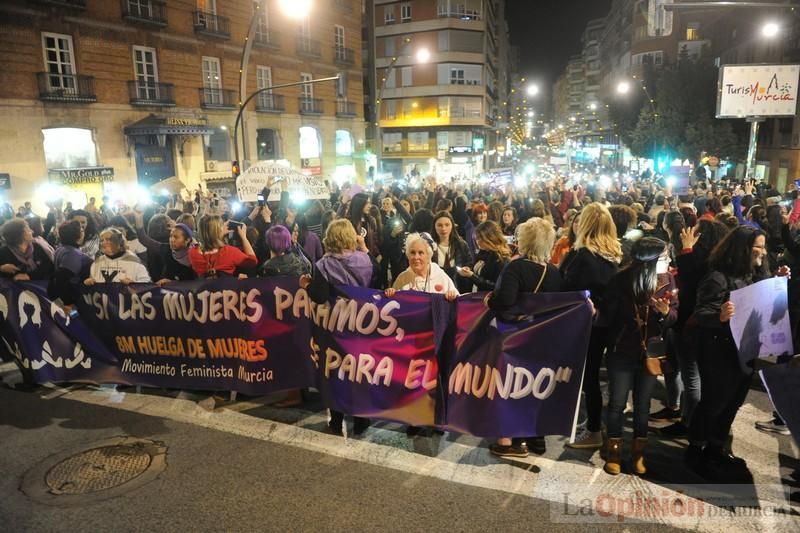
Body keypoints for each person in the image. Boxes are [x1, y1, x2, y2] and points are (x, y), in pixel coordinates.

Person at [685, 226, 789, 481]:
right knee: (714, 403)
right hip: (719, 352)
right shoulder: (718, 277)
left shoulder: (752, 274)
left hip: (745, 350)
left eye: (763, 247)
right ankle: (696, 451)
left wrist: (779, 280)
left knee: (732, 402)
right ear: (742, 249)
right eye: (758, 248)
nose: (763, 252)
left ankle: (716, 448)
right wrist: (718, 315)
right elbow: (701, 312)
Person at [485, 217, 563, 457]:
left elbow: (505, 300)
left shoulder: (515, 267)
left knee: (511, 387)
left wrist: (490, 300)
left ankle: (510, 442)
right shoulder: (553, 272)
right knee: (535, 386)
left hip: (515, 337)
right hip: (543, 338)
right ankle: (536, 437)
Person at [603, 238, 677, 476]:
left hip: (651, 354)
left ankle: (638, 454)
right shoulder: (619, 280)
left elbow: (675, 315)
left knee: (643, 405)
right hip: (622, 351)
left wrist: (666, 314)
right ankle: (613, 452)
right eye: (664, 256)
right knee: (616, 403)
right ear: (650, 260)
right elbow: (607, 317)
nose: (667, 261)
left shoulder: (667, 281)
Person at [300, 219, 377, 436]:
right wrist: (364, 249)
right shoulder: (366, 260)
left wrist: (306, 285)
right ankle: (362, 419)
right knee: (359, 372)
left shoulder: (323, 265)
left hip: (336, 327)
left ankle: (336, 419)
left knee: (336, 373)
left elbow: (319, 296)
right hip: (361, 325)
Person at [560, 203, 622, 449]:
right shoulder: (615, 254)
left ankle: (594, 430)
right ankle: (595, 426)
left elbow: (567, 290)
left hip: (587, 326)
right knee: (594, 377)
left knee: (589, 378)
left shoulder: (583, 256)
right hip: (609, 325)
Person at [189, 215, 257, 278]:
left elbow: (210, 241)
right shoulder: (230, 252)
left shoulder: (193, 252)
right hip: (225, 289)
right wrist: (244, 238)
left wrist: (219, 234)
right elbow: (252, 261)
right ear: (218, 231)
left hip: (204, 289)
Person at [457, 221, 511, 292]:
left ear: (491, 238)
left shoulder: (502, 259)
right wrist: (469, 270)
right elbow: (479, 273)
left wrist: (472, 276)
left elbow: (496, 286)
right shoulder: (482, 253)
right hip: (475, 296)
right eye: (477, 238)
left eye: (480, 238)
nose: (477, 241)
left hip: (487, 299)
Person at [85, 227, 151, 285]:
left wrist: (133, 283)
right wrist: (89, 282)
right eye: (102, 240)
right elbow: (92, 281)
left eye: (108, 239)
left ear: (119, 241)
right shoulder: (97, 262)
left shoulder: (134, 260)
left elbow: (147, 283)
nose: (104, 243)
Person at [50, 220, 93, 306]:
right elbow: (62, 280)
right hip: (74, 300)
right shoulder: (72, 254)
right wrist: (67, 303)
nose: (83, 232)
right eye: (82, 230)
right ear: (78, 235)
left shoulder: (61, 248)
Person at [431, 211, 472, 292]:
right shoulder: (429, 245)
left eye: (447, 225)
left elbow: (469, 262)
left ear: (452, 226)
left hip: (458, 287)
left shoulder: (461, 244)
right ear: (434, 227)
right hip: (435, 288)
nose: (443, 228)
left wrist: (467, 268)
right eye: (440, 225)